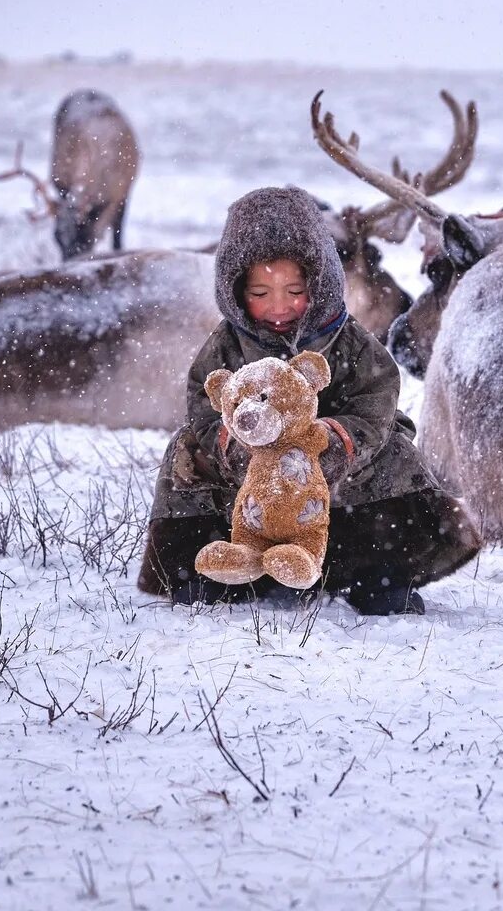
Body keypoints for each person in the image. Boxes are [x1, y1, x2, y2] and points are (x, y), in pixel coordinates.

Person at [135, 186, 481, 614]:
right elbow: (204, 404)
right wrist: (234, 448)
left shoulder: (348, 339)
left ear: (319, 284)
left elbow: (377, 400)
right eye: (260, 294)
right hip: (250, 478)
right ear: (236, 292)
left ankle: (377, 573)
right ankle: (209, 569)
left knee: (394, 453)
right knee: (185, 453)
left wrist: (336, 443)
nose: (278, 306)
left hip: (334, 468)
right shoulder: (226, 344)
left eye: (294, 291)